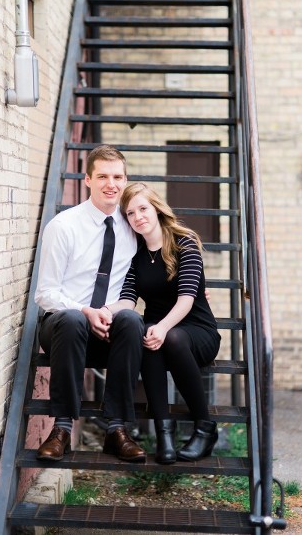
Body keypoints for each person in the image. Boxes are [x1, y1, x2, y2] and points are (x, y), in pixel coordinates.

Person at [34, 144, 146, 462]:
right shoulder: (64, 226)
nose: (111, 184)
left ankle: (116, 429)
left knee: (133, 320)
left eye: (118, 176)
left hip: (109, 329)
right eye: (103, 176)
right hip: (63, 328)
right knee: (71, 320)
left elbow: (162, 259)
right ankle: (62, 428)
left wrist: (194, 290)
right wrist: (84, 310)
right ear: (87, 179)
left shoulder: (132, 227)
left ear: (125, 180)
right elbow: (45, 293)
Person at [107, 182, 221, 464]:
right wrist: (95, 311)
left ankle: (205, 427)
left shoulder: (185, 243)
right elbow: (127, 300)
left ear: (156, 208)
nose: (138, 217)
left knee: (166, 337)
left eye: (143, 208)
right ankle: (164, 436)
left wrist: (163, 326)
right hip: (159, 332)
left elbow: (186, 299)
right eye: (131, 213)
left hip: (196, 331)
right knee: (146, 337)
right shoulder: (135, 257)